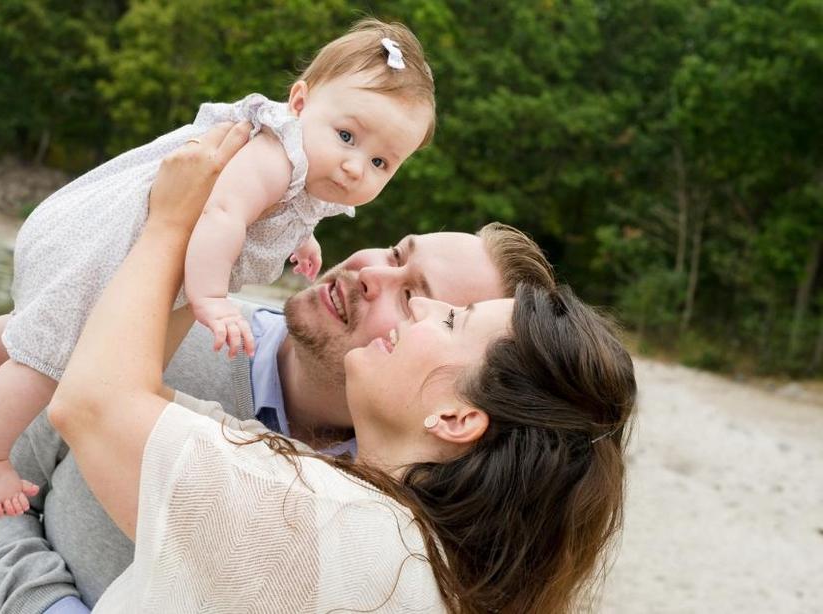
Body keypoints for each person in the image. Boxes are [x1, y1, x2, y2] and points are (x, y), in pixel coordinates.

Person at [46, 123, 637, 613]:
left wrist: (171, 224)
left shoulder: (319, 522)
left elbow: (93, 403)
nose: (425, 309)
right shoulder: (443, 570)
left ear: (458, 416)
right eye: (399, 256)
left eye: (450, 319)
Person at [0, 19, 437, 516]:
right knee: (52, 360)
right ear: (300, 103)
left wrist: (302, 239)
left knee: (69, 336)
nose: (355, 166)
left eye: (381, 163)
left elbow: (274, 215)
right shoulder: (278, 155)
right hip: (123, 241)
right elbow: (225, 213)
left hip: (143, 254)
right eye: (348, 137)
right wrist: (210, 298)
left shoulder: (311, 173)